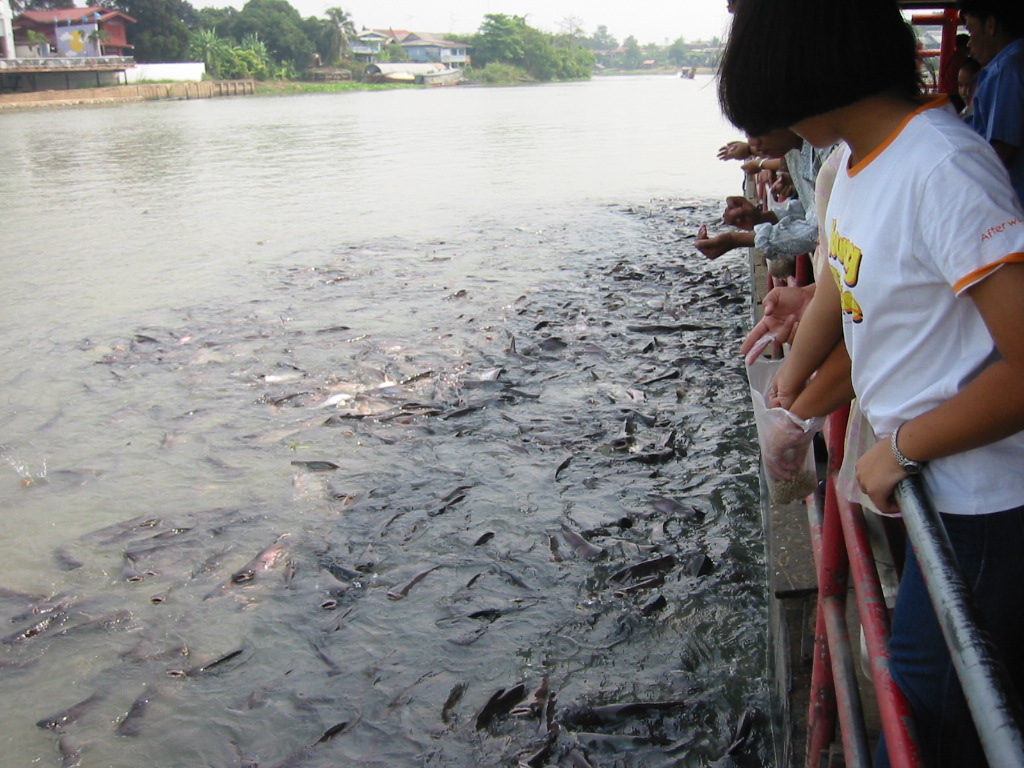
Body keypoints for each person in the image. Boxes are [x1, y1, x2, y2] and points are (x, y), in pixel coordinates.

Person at [719, 2, 1024, 767]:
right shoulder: (856, 166)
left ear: (803, 71)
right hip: (931, 486)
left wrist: (902, 448)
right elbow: (842, 294)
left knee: (926, 705)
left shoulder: (943, 169)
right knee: (924, 690)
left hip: (983, 498)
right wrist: (788, 388)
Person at [959, 0, 1024, 202]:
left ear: (990, 25)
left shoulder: (1006, 69)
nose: (969, 43)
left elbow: (1000, 151)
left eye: (971, 31)